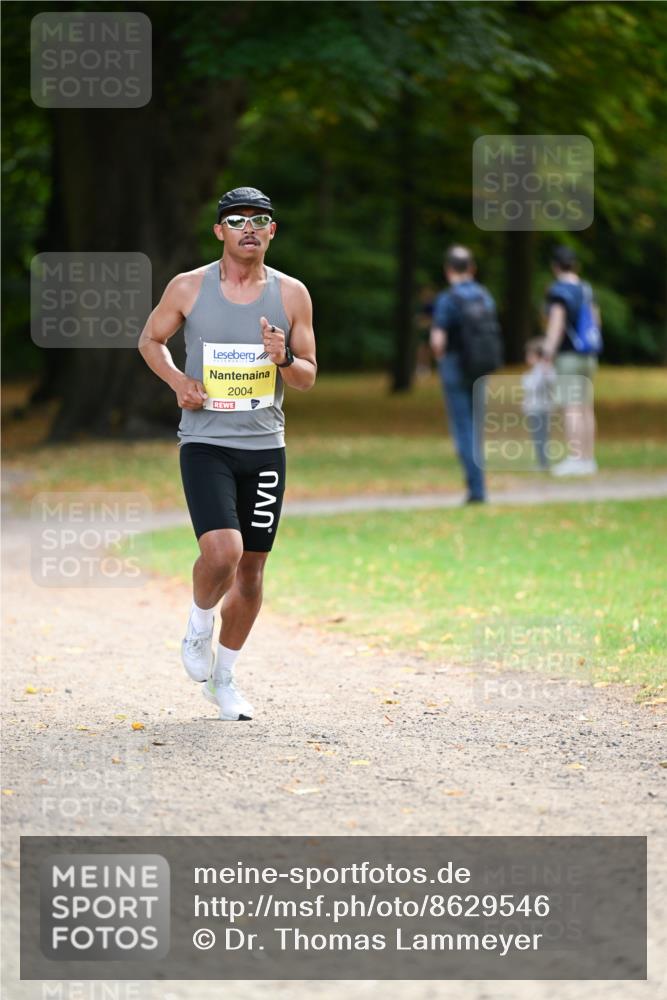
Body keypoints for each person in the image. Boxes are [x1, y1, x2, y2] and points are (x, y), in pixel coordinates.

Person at [138, 187, 317, 720]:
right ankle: (198, 626)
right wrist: (176, 380)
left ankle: (224, 680)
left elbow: (306, 378)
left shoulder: (292, 295)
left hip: (265, 448)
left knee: (253, 571)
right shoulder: (189, 287)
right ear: (219, 231)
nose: (248, 228)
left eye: (259, 220)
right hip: (206, 443)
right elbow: (150, 340)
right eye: (236, 220)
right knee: (223, 553)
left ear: (271, 232)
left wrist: (284, 358)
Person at [430, 245, 500, 503]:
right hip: (481, 367)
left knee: (463, 427)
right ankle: (480, 486)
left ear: (448, 270)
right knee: (476, 426)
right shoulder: (485, 296)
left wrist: (440, 359)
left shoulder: (448, 299)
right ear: (472, 268)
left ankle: (476, 490)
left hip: (455, 366)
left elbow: (438, 340)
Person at [543, 245, 600, 476]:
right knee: (586, 407)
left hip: (569, 356)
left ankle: (575, 459)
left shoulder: (559, 291)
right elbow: (596, 321)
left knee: (571, 407)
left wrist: (547, 351)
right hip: (589, 355)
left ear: (555, 266)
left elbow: (557, 325)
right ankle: (588, 458)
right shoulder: (586, 289)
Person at [522, 338, 556, 471]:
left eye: (529, 355)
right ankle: (542, 461)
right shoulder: (537, 370)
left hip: (540, 408)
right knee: (539, 437)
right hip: (536, 408)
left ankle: (543, 463)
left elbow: (534, 386)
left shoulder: (544, 370)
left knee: (541, 437)